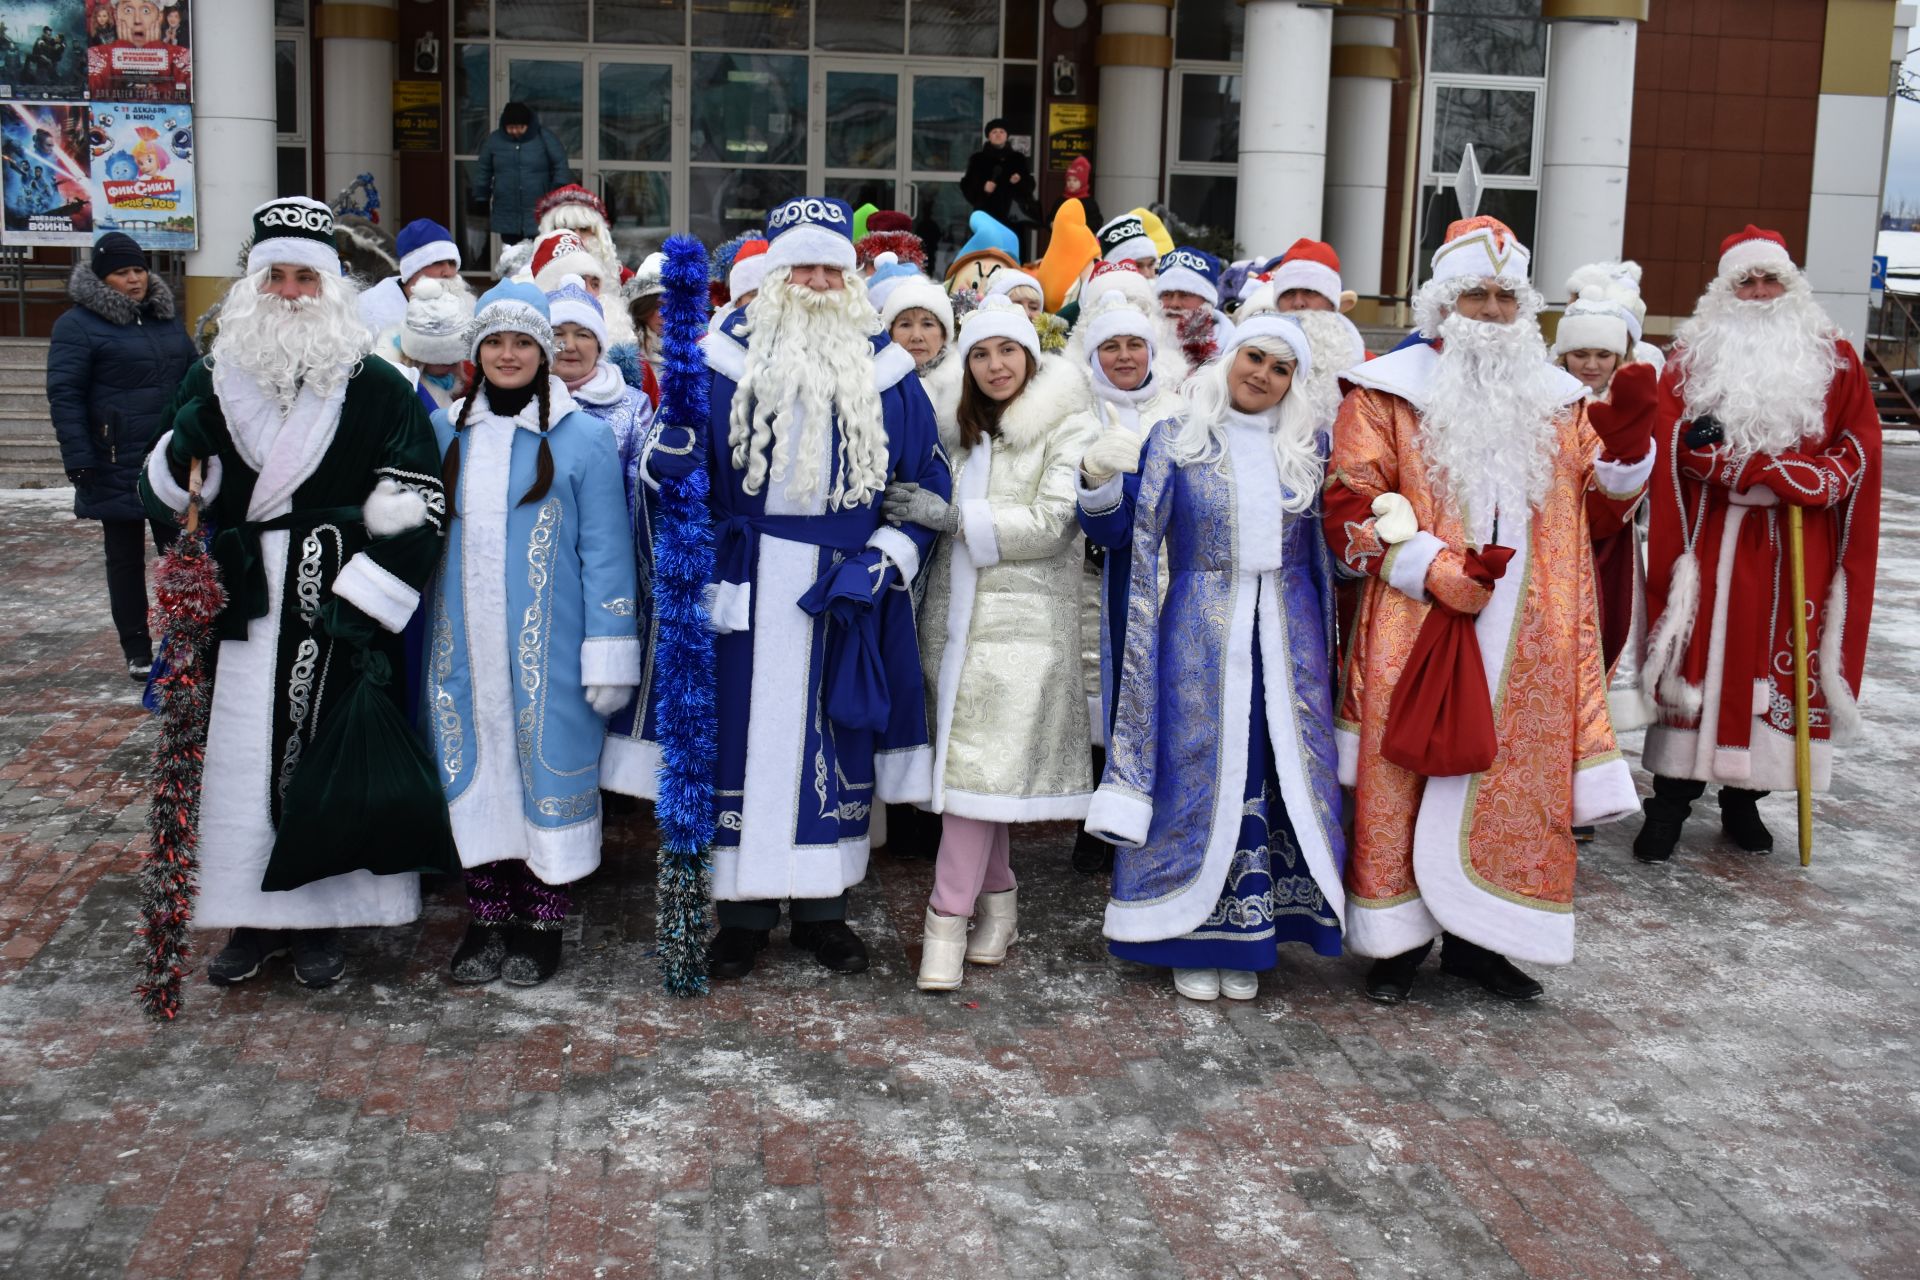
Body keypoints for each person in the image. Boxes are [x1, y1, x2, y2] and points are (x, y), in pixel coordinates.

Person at [1323, 216, 1654, 1004]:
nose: (1494, 311)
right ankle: (1397, 944)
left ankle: (1485, 938)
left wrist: (1632, 447)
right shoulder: (1386, 390)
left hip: (1530, 638)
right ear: (1444, 303)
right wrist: (1428, 566)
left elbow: (1595, 514)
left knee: (1514, 785)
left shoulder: (1558, 401)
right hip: (1417, 621)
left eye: (1508, 298)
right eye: (1476, 294)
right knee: (1403, 774)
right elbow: (1348, 501)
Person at [136, 197, 448, 988]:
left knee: (322, 756)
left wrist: (369, 593)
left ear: (333, 287)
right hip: (238, 600)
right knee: (235, 761)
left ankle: (320, 924)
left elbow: (420, 495)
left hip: (332, 598)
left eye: (304, 276)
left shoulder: (378, 386)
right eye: (274, 274)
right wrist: (180, 451)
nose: (289, 290)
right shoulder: (213, 377)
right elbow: (167, 493)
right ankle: (247, 916)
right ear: (252, 285)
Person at [690, 196, 952, 981]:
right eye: (800, 265)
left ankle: (822, 910)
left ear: (852, 277)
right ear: (773, 275)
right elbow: (680, 490)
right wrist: (663, 476)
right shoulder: (718, 360)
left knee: (833, 741)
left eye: (830, 267)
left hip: (844, 588)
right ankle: (738, 918)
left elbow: (926, 482)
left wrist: (886, 557)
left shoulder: (887, 369)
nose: (815, 280)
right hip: (744, 586)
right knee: (736, 742)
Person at [1087, 317, 1347, 1001]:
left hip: (1288, 638)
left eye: (1280, 368)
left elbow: (1332, 560)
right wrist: (1098, 480)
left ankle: (1255, 935)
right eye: (1254, 358)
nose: (1262, 374)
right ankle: (1187, 933)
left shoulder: (1310, 448)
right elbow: (1122, 533)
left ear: (1295, 383)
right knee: (1198, 764)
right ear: (1230, 358)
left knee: (1271, 764)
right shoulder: (1177, 438)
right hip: (1199, 632)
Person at [1632, 226, 1881, 862]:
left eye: (1772, 279)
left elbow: (1859, 445)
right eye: (1747, 281)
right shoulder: (1691, 359)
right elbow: (1673, 442)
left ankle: (1748, 797)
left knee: (1777, 660)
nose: (1761, 291)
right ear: (1726, 289)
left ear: (1792, 286)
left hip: (1799, 541)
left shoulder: (1838, 358)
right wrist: (1726, 466)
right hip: (1714, 536)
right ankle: (1670, 802)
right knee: (1700, 659)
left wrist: (1806, 478)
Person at [426, 281, 639, 986]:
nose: (509, 354)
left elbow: (608, 551)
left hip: (552, 648)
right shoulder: (445, 431)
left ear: (545, 353)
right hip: (462, 651)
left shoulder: (584, 436)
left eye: (524, 342)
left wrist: (610, 646)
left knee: (547, 769)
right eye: (495, 342)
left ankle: (543, 920)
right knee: (476, 772)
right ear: (476, 352)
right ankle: (487, 915)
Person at [890, 297, 1095, 991]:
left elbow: (1053, 523)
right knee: (982, 784)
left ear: (1030, 356)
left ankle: (944, 923)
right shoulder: (958, 427)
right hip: (953, 631)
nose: (995, 365)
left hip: (1024, 638)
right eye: (980, 353)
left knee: (974, 785)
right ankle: (1000, 909)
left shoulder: (1067, 422)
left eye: (1007, 351)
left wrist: (952, 518)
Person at [1068, 288, 1188, 876]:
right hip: (1098, 576)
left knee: (1163, 687)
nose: (1123, 357)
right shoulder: (1075, 412)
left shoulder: (1181, 409)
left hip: (1172, 571)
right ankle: (1101, 817)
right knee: (1106, 691)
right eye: (1109, 346)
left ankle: (1161, 810)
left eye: (1133, 344)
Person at [46, 231, 197, 681]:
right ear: (101, 277)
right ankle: (137, 648)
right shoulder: (77, 325)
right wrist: (79, 457)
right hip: (113, 457)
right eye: (122, 272)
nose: (134, 280)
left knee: (181, 553)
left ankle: (185, 637)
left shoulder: (164, 317)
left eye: (139, 269)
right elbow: (65, 394)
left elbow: (192, 377)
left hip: (168, 456)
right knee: (125, 558)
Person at [471, 103, 571, 246]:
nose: (515, 131)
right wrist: (481, 196)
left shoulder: (545, 138)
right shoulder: (494, 140)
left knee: (539, 251)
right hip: (506, 208)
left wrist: (557, 192)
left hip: (539, 207)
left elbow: (561, 165)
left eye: (520, 127)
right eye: (511, 127)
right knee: (511, 252)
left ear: (528, 125)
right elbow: (483, 169)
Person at [373, 276, 472, 415]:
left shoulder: (460, 376)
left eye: (455, 360)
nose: (451, 366)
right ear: (419, 359)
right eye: (442, 362)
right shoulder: (396, 389)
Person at [358, 217, 467, 338]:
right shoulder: (369, 310)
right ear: (413, 268)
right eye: (437, 262)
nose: (448, 272)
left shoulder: (465, 307)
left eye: (452, 263)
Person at [1154, 245, 1235, 377]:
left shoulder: (1230, 351)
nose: (1174, 304)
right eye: (1167, 294)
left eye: (1185, 295)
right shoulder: (1142, 343)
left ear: (1206, 302)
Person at [959, 119, 1035, 229]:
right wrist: (983, 188)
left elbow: (1030, 185)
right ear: (988, 136)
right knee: (988, 245)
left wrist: (1019, 181)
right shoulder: (978, 159)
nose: (998, 135)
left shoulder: (1018, 159)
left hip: (1013, 216)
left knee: (1009, 244)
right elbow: (967, 185)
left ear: (1007, 136)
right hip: (986, 214)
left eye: (1001, 132)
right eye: (994, 132)